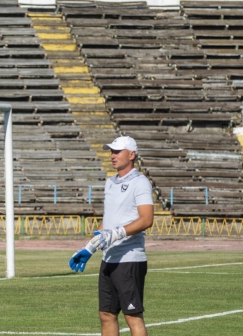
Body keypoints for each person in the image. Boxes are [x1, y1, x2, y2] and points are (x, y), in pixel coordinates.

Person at [69, 136, 154, 336]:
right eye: (111, 151)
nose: (112, 155)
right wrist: (90, 246)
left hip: (129, 259)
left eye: (117, 151)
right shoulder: (110, 182)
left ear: (132, 155)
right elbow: (108, 219)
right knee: (106, 314)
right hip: (109, 259)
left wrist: (118, 233)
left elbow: (147, 219)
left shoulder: (140, 182)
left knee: (133, 316)